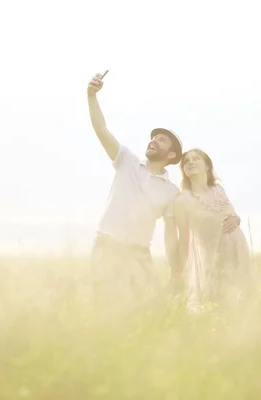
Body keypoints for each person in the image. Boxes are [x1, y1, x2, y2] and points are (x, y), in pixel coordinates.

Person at [86, 72, 182, 307]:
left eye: (161, 140)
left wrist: (175, 269)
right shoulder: (126, 160)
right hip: (106, 245)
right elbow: (101, 129)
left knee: (142, 309)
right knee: (102, 306)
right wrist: (91, 96)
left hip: (138, 254)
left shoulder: (172, 192)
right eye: (153, 137)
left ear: (171, 155)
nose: (154, 141)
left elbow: (171, 234)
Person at [173, 148, 253, 310]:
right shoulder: (184, 200)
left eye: (196, 159)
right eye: (186, 162)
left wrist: (236, 218)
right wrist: (177, 272)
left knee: (241, 304)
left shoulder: (218, 190)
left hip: (238, 253)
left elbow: (233, 214)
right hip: (212, 260)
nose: (190, 163)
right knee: (216, 304)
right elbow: (184, 239)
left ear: (207, 166)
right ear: (184, 171)